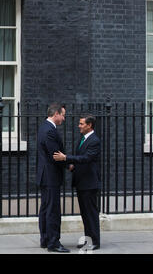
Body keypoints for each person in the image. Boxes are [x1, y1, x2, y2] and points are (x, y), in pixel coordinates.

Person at [53, 114, 101, 251]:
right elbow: (81, 158)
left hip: (89, 183)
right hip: (82, 182)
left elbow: (86, 158)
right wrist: (72, 165)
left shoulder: (94, 140)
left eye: (81, 124)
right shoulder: (83, 138)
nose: (79, 126)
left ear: (89, 125)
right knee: (85, 214)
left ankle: (95, 242)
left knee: (91, 213)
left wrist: (66, 158)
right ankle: (88, 239)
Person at [37, 103, 69, 253]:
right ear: (55, 114)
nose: (63, 118)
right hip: (50, 176)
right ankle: (53, 243)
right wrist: (68, 164)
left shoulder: (44, 127)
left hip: (46, 176)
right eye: (62, 115)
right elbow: (55, 154)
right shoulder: (50, 130)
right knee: (52, 210)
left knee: (45, 208)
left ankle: (45, 239)